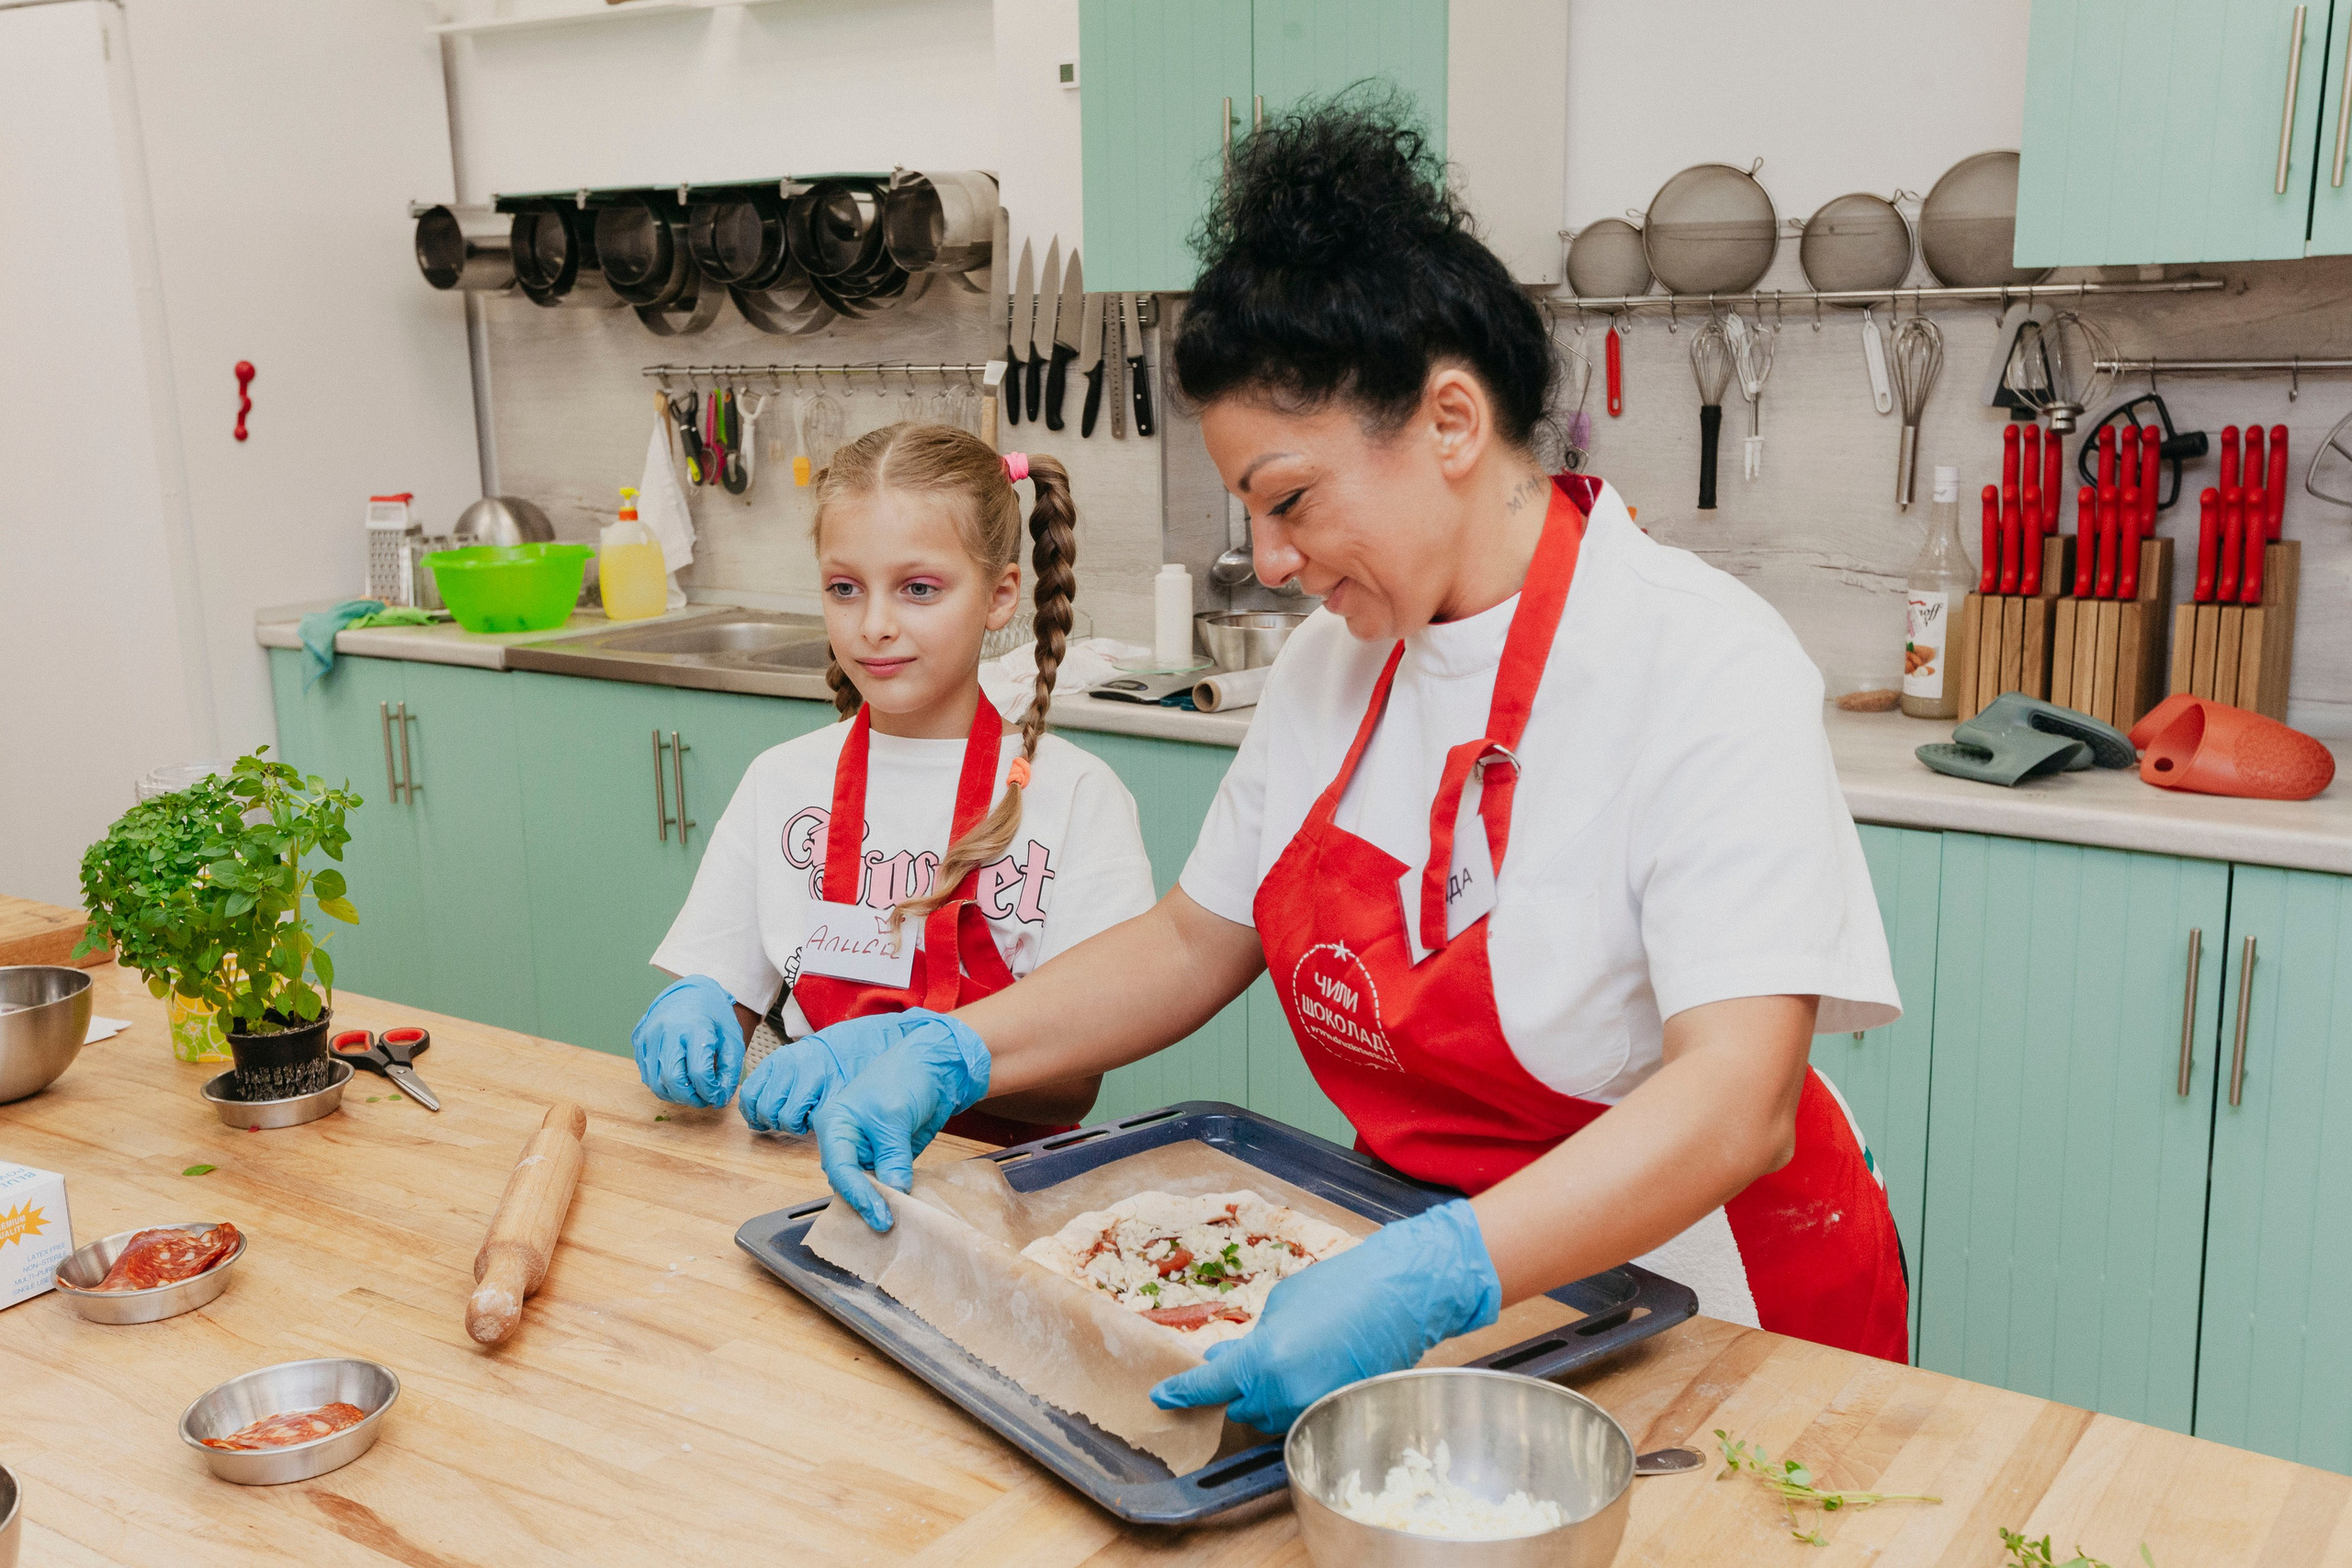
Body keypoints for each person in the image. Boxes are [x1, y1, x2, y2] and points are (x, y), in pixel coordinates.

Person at [753, 100, 1909, 1434]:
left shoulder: (1700, 661)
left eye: (1291, 499)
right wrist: (956, 1049)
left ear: (1452, 420)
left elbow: (1736, 1100)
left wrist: (1440, 1271)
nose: (1271, 559)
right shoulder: (1329, 665)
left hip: (1708, 1307)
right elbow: (1194, 940)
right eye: (1252, 512)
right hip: (1420, 1285)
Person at [632, 425, 1157, 1145]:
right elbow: (731, 996)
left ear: (1001, 595)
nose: (874, 625)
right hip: (811, 1165)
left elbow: (1076, 1076)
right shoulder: (780, 782)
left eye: (918, 589)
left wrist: (903, 1053)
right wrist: (698, 1014)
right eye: (844, 588)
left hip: (1002, 1178)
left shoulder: (1076, 797)